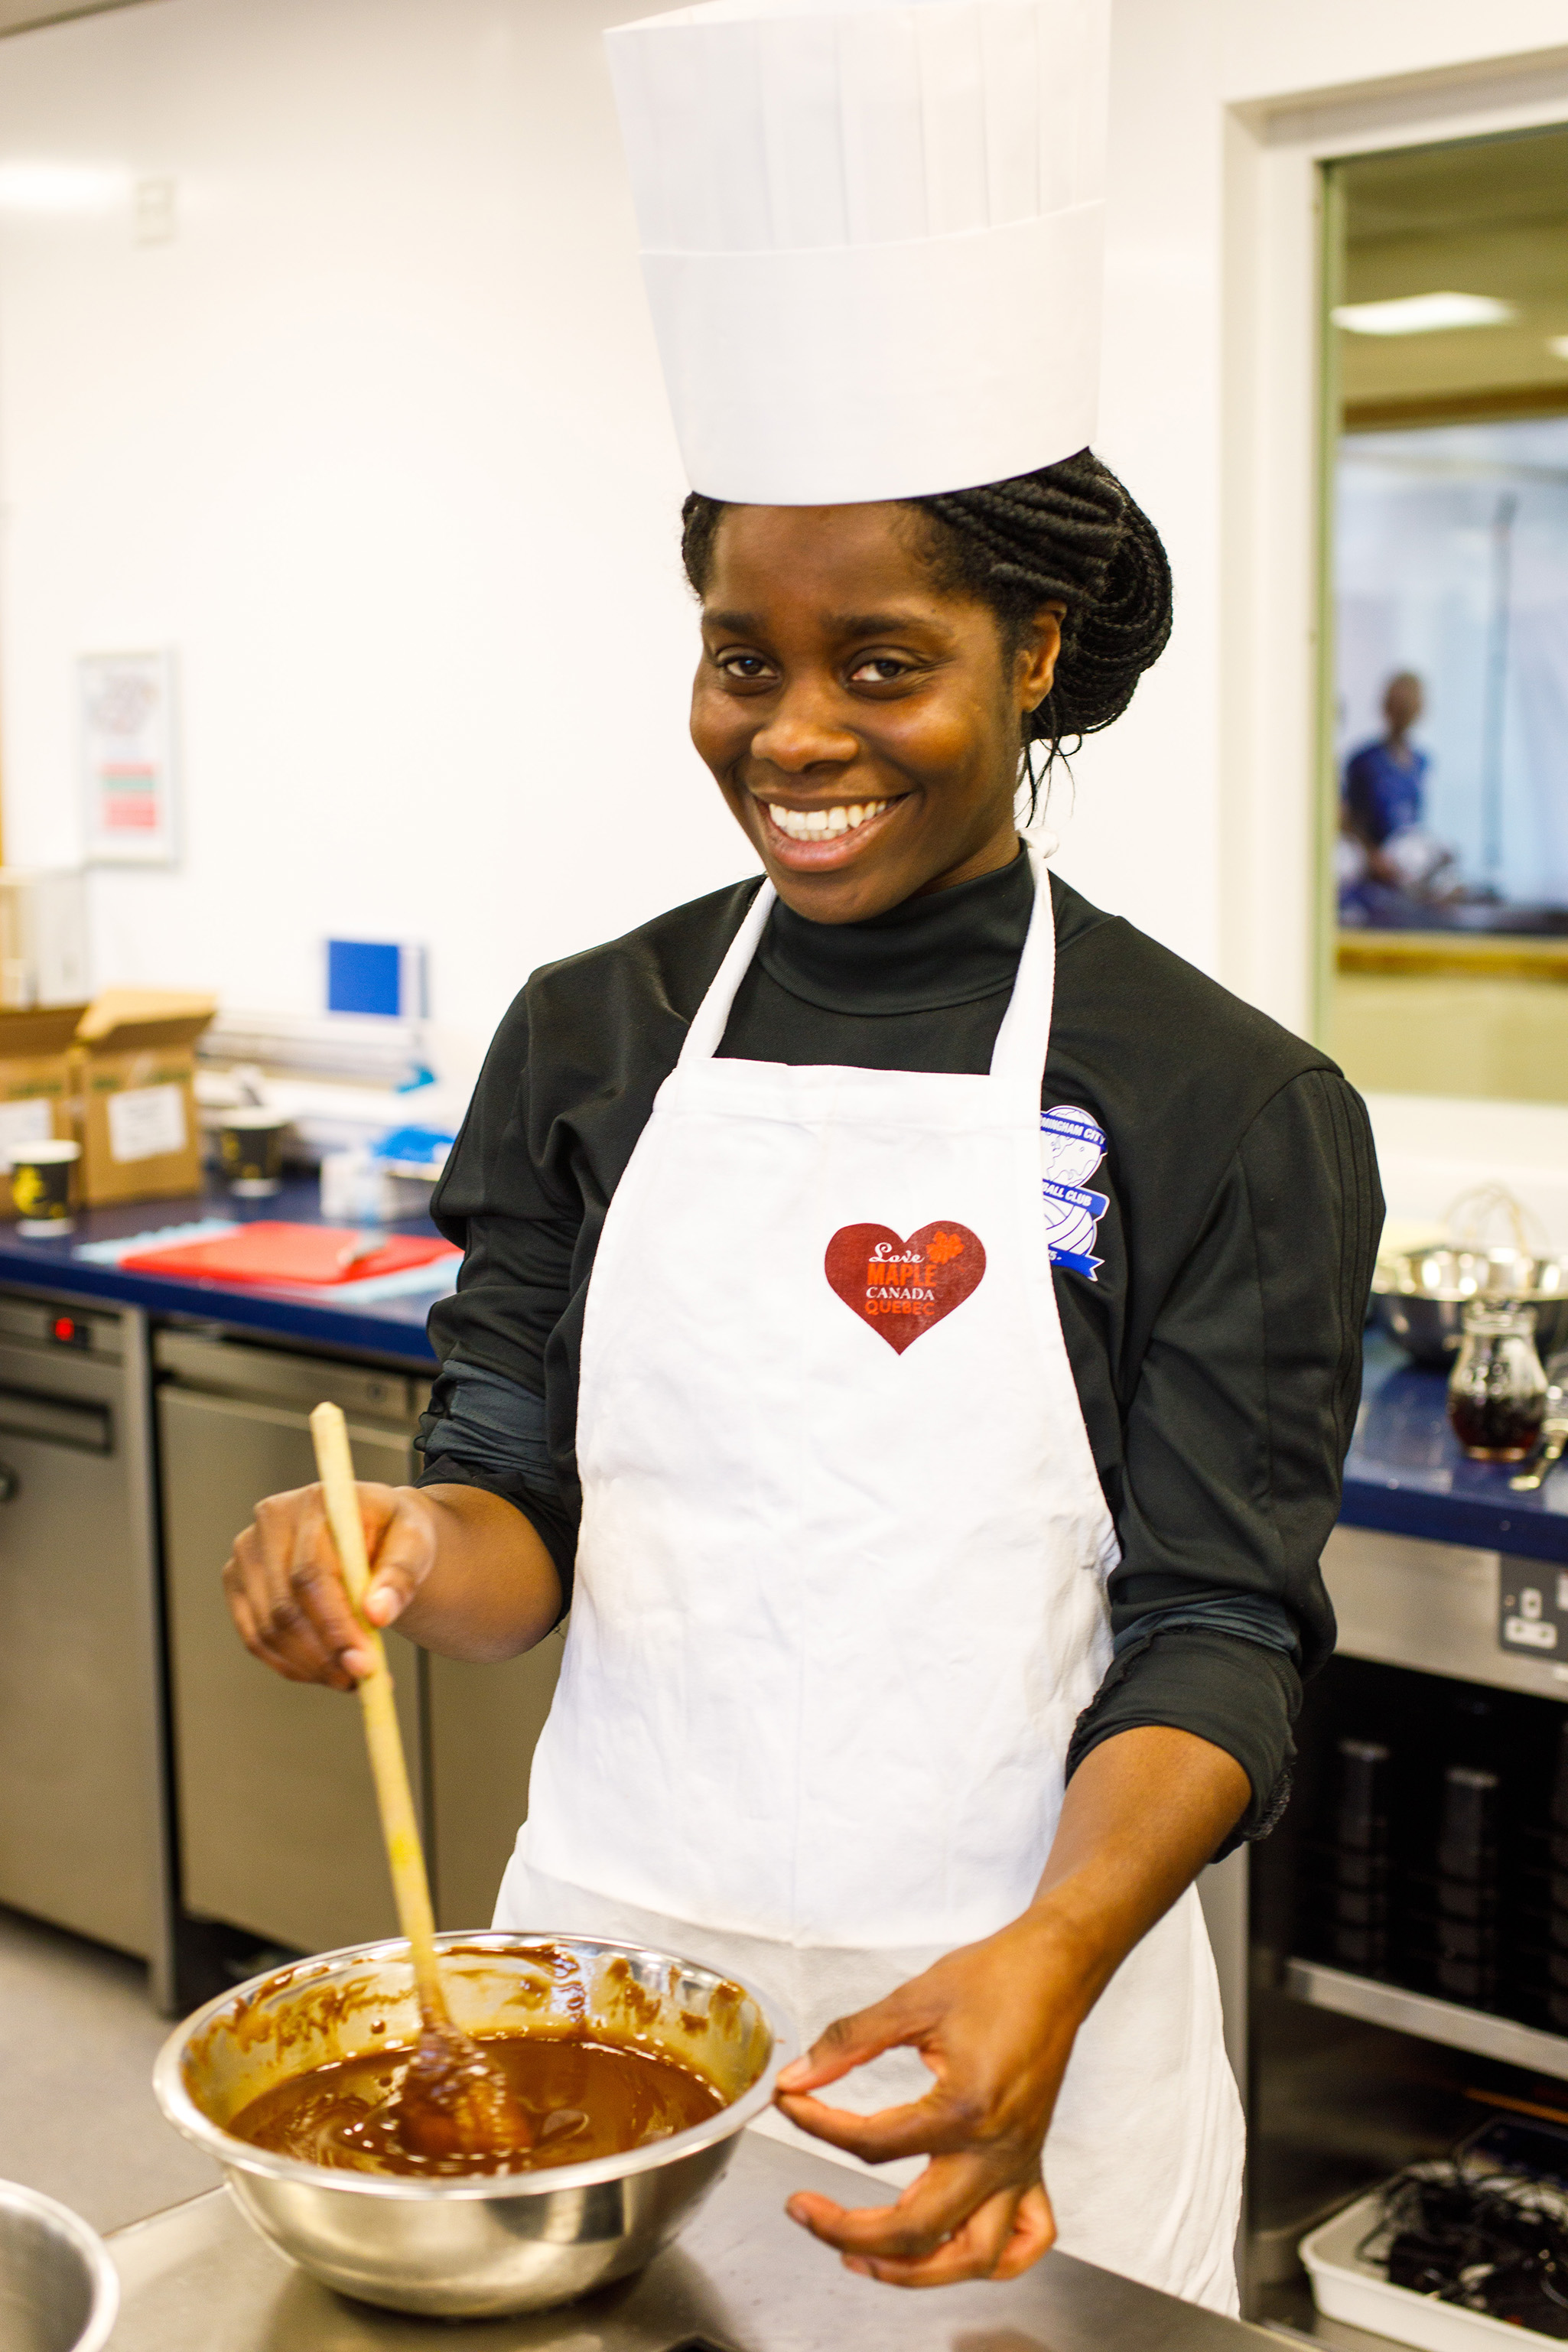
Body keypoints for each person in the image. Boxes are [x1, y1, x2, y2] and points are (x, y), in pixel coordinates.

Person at [221, 0, 1381, 2315]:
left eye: (880, 661)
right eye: (740, 659)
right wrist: (391, 1546)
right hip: (594, 2011)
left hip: (1011, 2008)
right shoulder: (593, 1031)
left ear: (1031, 651)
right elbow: (516, 1513)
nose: (793, 732)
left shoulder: (1221, 1098)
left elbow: (1218, 1627)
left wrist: (1052, 1948)